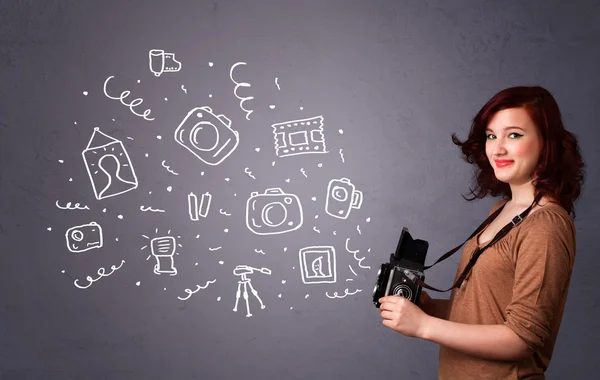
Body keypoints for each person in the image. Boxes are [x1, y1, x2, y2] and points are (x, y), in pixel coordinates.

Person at [378, 85, 585, 379]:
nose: (497, 148)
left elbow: (522, 339)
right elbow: (484, 313)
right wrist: (427, 308)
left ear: (546, 142)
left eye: (514, 134)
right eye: (491, 135)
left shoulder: (546, 225)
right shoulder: (501, 210)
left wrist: (423, 327)